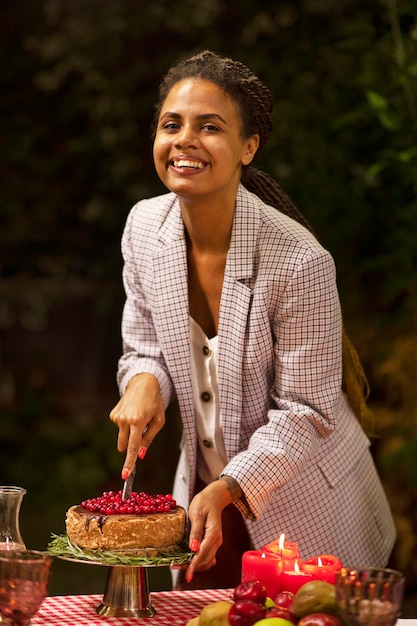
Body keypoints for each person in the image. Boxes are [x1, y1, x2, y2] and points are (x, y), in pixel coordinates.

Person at [109, 50, 396, 590]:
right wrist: (145, 382)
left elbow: (306, 411)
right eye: (172, 124)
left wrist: (230, 486)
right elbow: (144, 345)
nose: (185, 140)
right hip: (201, 496)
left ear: (248, 147)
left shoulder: (300, 262)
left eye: (209, 127)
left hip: (304, 504)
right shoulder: (144, 227)